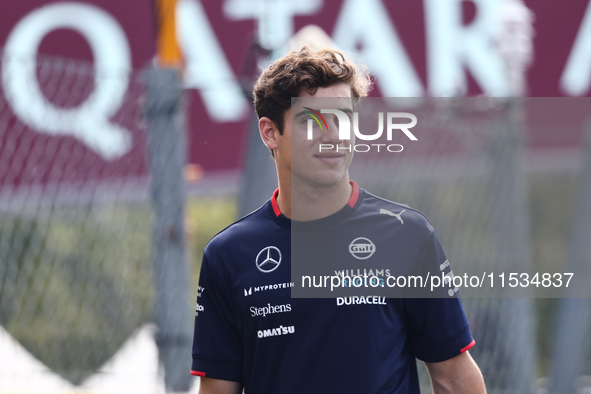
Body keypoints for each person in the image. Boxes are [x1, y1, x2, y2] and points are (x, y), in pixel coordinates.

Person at [190, 46, 486, 394]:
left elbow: (453, 377)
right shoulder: (228, 255)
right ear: (270, 132)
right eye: (311, 120)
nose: (332, 134)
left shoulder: (408, 235)